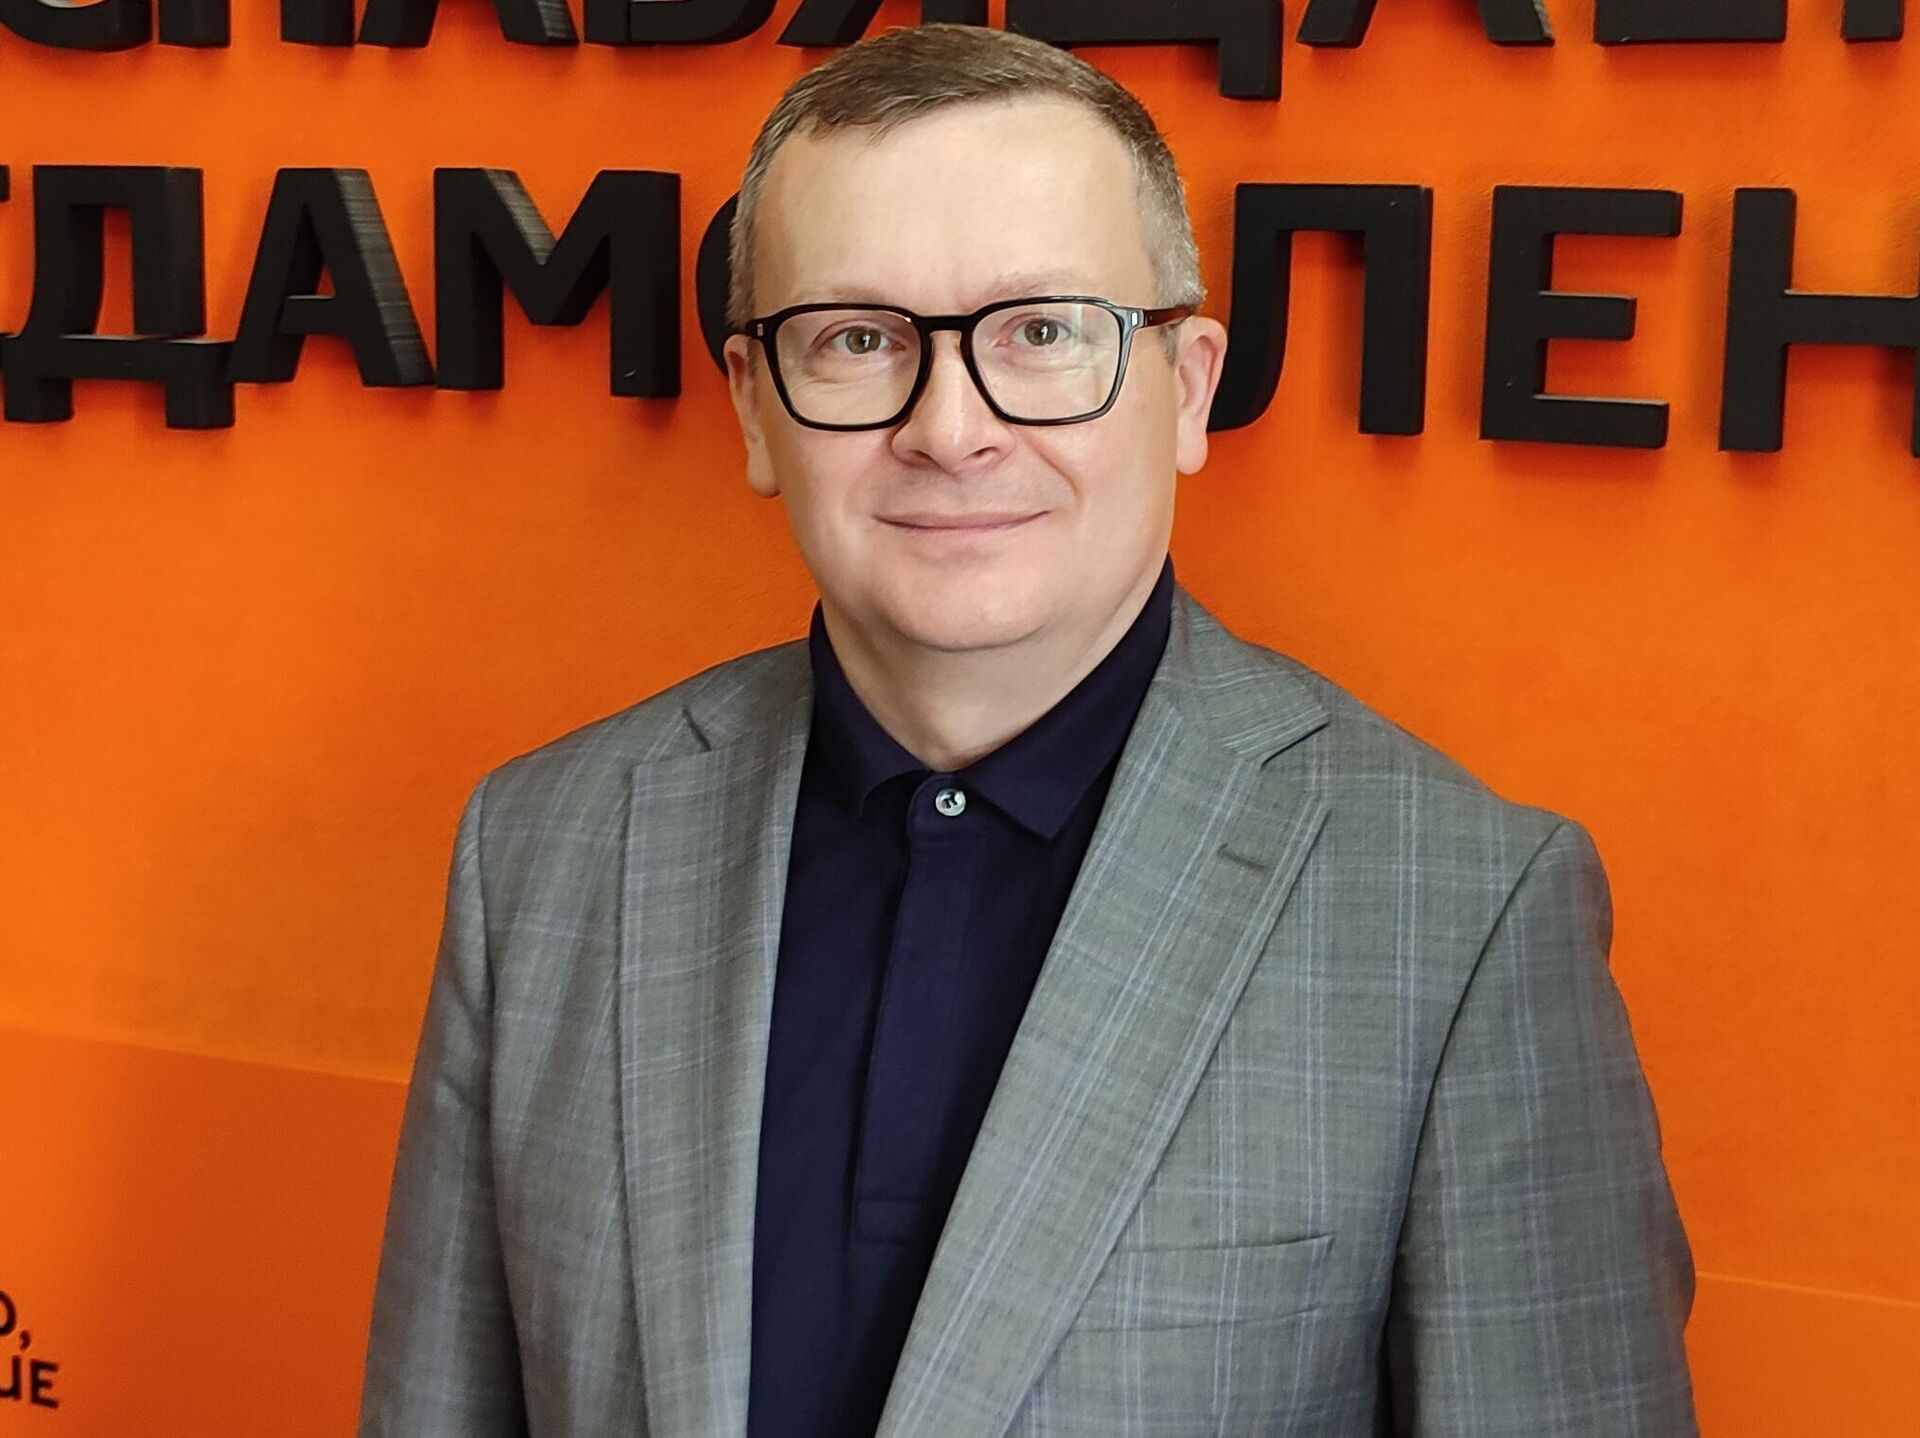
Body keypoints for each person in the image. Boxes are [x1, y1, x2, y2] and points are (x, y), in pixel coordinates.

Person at [357, 22, 1697, 1438]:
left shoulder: (1464, 918)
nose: (951, 429)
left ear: (1189, 389)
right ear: (755, 409)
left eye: (1043, 332)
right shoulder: (545, 851)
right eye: (859, 339)